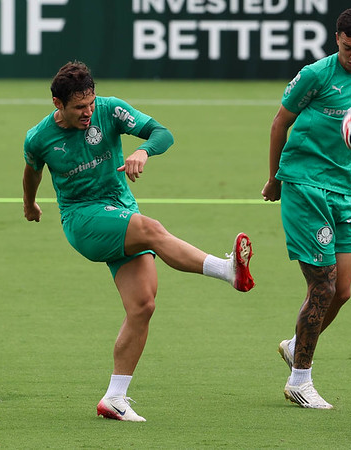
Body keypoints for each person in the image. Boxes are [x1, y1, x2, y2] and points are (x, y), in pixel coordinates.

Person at [22, 61, 255, 422]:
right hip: (82, 219)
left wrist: (144, 150)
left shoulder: (109, 109)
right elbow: (32, 170)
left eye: (90, 103)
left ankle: (114, 398)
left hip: (119, 208)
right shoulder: (39, 138)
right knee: (151, 228)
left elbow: (162, 132)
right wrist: (30, 204)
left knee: (143, 305)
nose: (87, 113)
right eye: (78, 108)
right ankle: (228, 270)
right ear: (58, 104)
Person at [260, 7, 351, 409]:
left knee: (343, 291)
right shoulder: (315, 75)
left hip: (342, 191)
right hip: (304, 184)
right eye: (348, 48)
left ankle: (295, 344)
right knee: (323, 285)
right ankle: (301, 380)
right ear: (337, 40)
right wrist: (275, 177)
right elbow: (280, 122)